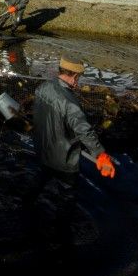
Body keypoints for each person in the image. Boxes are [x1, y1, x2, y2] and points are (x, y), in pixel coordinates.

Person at [33, 57, 116, 192]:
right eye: (78, 78)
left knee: (38, 182)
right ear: (75, 75)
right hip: (64, 160)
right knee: (66, 197)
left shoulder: (43, 87)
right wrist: (101, 154)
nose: (77, 82)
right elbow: (85, 132)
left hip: (43, 151)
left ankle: (23, 206)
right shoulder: (70, 103)